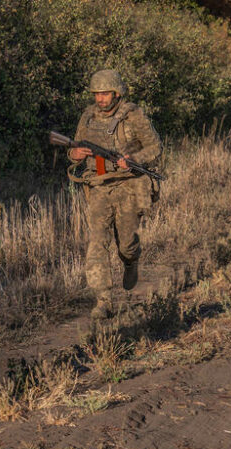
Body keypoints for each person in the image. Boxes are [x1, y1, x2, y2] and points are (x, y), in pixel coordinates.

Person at [67, 69, 162, 320]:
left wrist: (133, 159)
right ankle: (103, 300)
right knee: (97, 241)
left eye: (105, 93)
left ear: (117, 93)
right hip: (98, 185)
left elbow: (155, 147)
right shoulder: (87, 117)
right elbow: (75, 148)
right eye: (96, 94)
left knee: (126, 243)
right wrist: (74, 155)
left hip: (129, 185)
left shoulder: (133, 115)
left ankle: (131, 260)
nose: (100, 99)